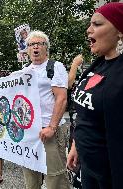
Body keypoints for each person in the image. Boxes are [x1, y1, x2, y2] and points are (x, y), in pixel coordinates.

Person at [67, 3, 123, 189]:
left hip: (111, 174)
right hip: (87, 167)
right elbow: (84, 115)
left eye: (97, 24)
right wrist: (76, 145)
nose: (88, 30)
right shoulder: (96, 66)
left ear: (120, 32)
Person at [22, 30, 70, 189]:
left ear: (46, 48)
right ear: (27, 49)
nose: (35, 47)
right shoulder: (25, 71)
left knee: (54, 177)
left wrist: (52, 127)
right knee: (30, 175)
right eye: (31, 44)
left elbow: (62, 98)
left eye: (39, 44)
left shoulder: (55, 66)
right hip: (30, 131)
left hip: (50, 130)